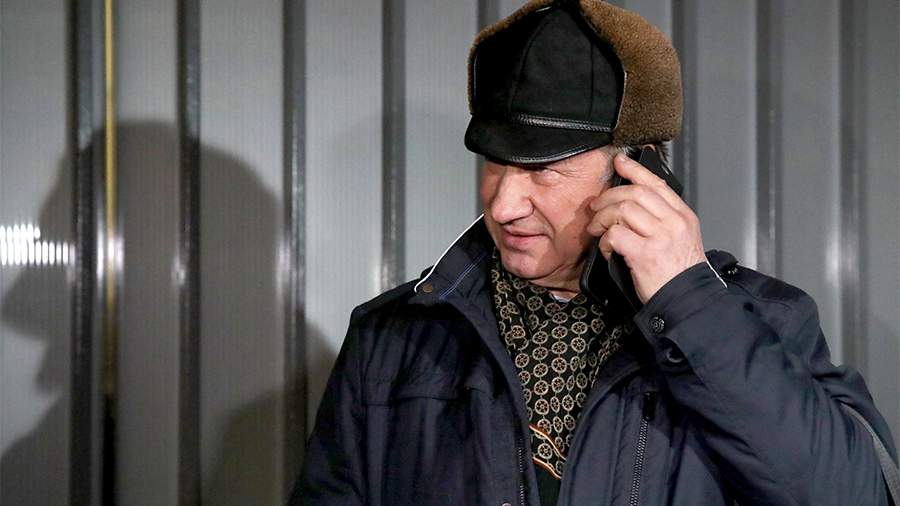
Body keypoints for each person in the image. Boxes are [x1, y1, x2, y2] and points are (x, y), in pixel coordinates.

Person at [292, 1, 898, 504]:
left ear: (641, 175)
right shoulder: (392, 338)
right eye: (495, 164)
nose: (503, 205)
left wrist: (690, 303)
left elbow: (855, 494)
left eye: (545, 170)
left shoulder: (765, 323)